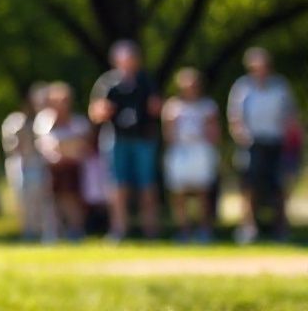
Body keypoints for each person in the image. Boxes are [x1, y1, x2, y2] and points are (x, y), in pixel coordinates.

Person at [89, 40, 162, 241]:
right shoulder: (107, 83)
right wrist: (103, 111)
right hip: (116, 139)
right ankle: (119, 229)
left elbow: (157, 109)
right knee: (117, 185)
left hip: (143, 139)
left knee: (147, 185)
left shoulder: (146, 81)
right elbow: (95, 113)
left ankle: (150, 229)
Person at [227, 47, 301, 244]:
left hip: (277, 142)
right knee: (249, 186)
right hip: (252, 144)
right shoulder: (242, 88)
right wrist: (242, 137)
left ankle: (281, 227)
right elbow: (235, 118)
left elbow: (291, 115)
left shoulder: (280, 86)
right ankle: (248, 226)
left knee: (280, 186)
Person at [161, 68, 220, 243]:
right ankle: (183, 230)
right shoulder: (172, 106)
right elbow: (167, 134)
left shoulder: (208, 106)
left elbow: (215, 132)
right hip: (179, 152)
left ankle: (204, 230)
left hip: (201, 151)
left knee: (203, 192)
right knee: (179, 193)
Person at [34, 82, 91, 241]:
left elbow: (83, 147)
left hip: (74, 169)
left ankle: (76, 230)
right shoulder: (43, 122)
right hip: (51, 169)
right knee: (51, 200)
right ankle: (54, 232)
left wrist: (64, 152)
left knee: (72, 199)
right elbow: (45, 145)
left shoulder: (78, 122)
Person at [1, 83, 49, 241]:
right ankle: (28, 231)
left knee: (42, 200)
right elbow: (12, 146)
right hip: (21, 165)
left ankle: (43, 231)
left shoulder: (45, 120)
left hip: (38, 164)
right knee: (23, 200)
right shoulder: (14, 121)